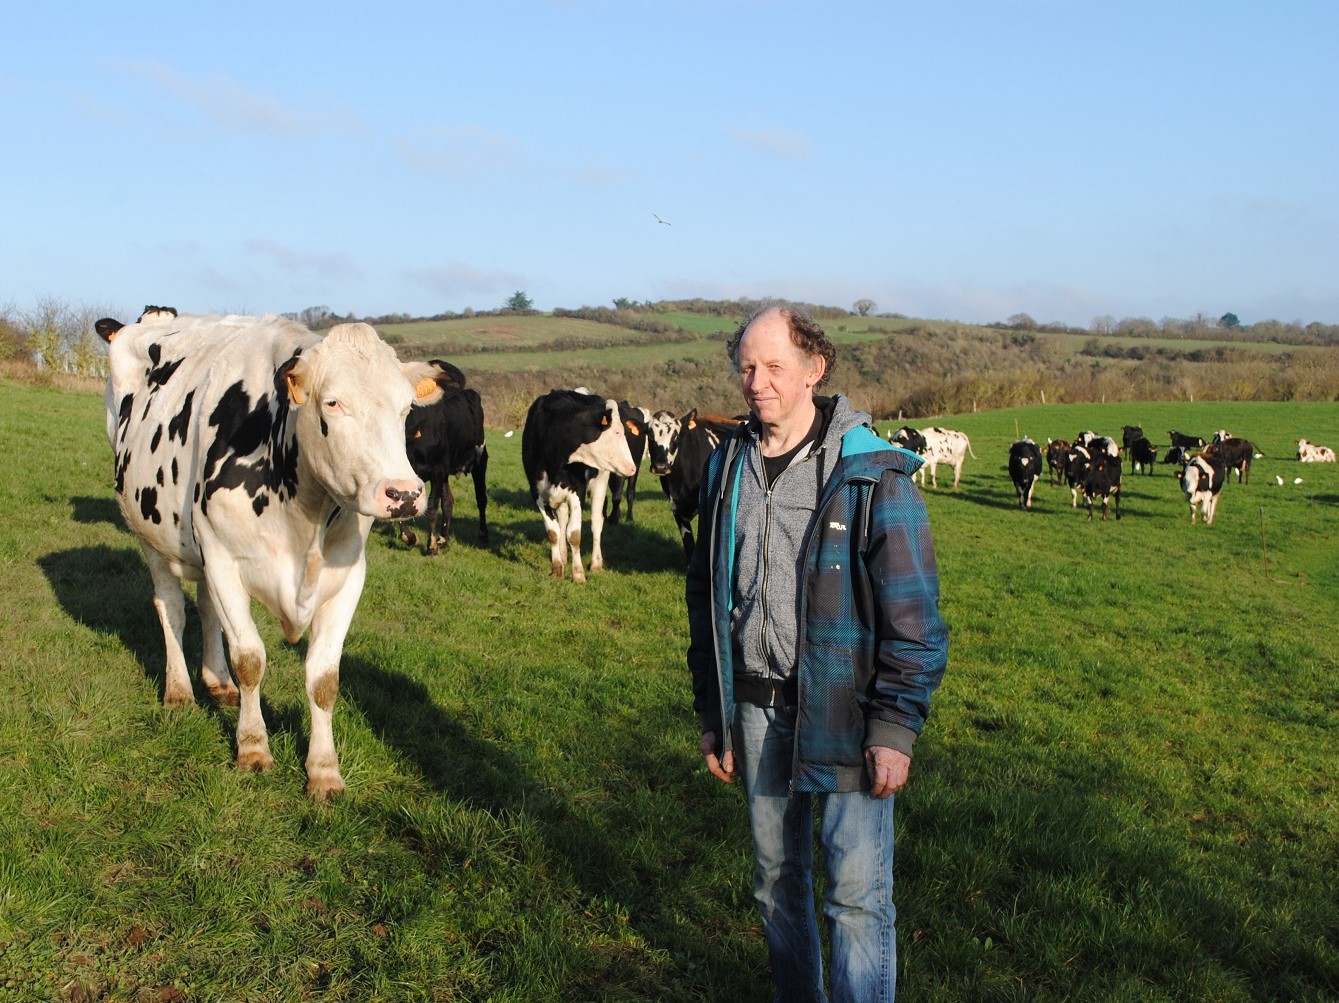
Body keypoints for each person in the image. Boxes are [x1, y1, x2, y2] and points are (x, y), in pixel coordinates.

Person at [686, 304, 949, 1002]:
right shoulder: (724, 470)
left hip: (846, 711)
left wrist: (894, 727)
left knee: (856, 897)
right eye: (746, 366)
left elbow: (914, 614)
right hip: (754, 706)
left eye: (773, 365)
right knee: (775, 884)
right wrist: (713, 708)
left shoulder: (867, 471)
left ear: (813, 369)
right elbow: (704, 598)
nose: (756, 381)